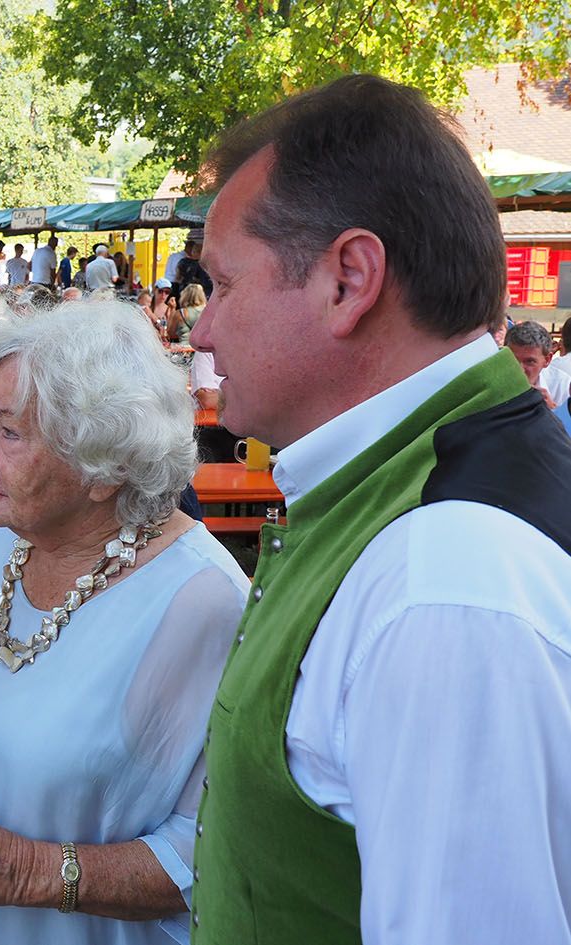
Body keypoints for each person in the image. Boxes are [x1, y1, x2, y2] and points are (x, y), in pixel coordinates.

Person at [188, 74, 571, 944]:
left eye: (222, 284)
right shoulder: (438, 517)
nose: (202, 331)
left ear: (348, 279)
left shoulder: (447, 580)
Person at [0, 300, 248, 944]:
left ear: (104, 465)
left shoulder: (204, 603)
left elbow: (220, 853)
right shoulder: (6, 536)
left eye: (9, 433)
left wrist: (29, 871)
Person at [505, 320, 570, 408]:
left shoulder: (561, 385)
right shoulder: (491, 381)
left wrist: (551, 410)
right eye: (513, 360)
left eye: (530, 362)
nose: (520, 369)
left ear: (547, 360)